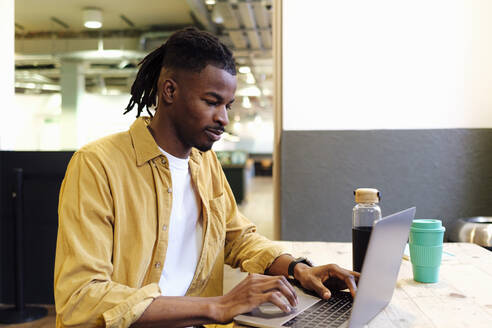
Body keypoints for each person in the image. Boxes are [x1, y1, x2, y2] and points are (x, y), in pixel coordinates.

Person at [54, 27, 359, 328]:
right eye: (212, 102)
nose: (224, 118)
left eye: (227, 105)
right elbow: (81, 297)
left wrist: (298, 269)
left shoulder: (205, 161)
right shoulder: (96, 165)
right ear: (170, 91)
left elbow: (237, 237)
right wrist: (218, 306)